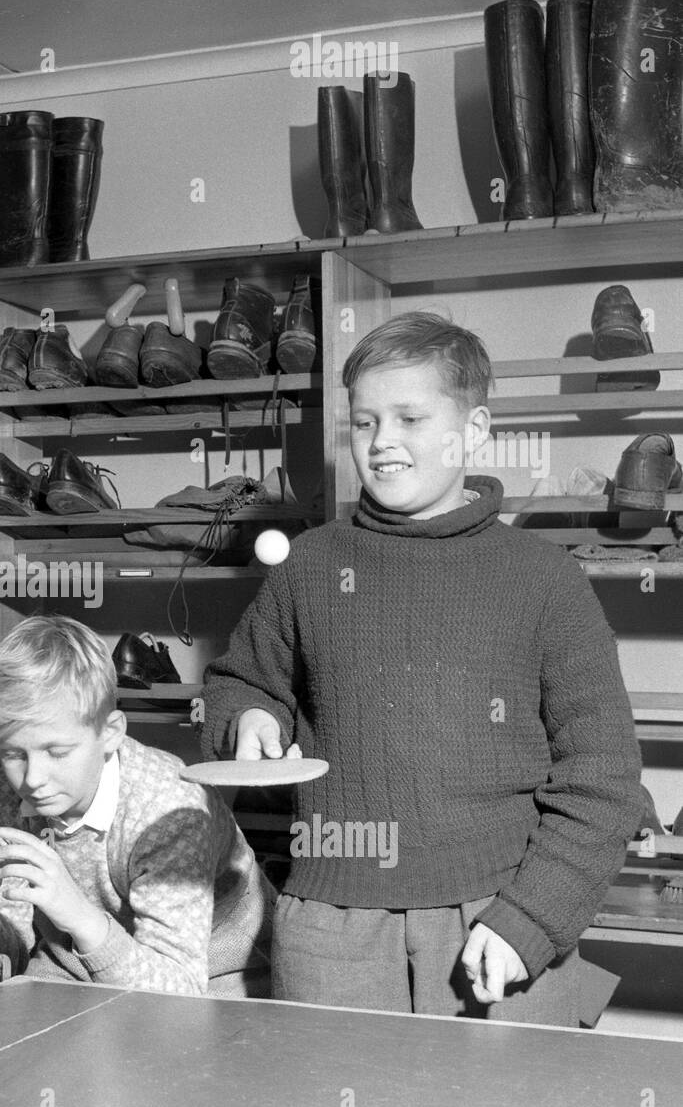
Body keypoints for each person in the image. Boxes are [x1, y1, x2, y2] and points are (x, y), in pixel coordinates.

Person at [202, 312, 642, 1026]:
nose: (382, 443)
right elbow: (238, 682)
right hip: (329, 926)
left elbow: (604, 779)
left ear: (472, 431)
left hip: (495, 921)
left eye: (408, 417)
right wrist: (248, 718)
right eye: (364, 422)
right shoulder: (309, 566)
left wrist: (530, 917)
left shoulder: (543, 578)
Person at [0, 614, 272, 997]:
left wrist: (76, 913)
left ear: (111, 733)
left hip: (216, 975)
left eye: (57, 752)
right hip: (70, 962)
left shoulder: (170, 809)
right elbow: (10, 955)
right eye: (12, 753)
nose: (33, 779)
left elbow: (179, 991)